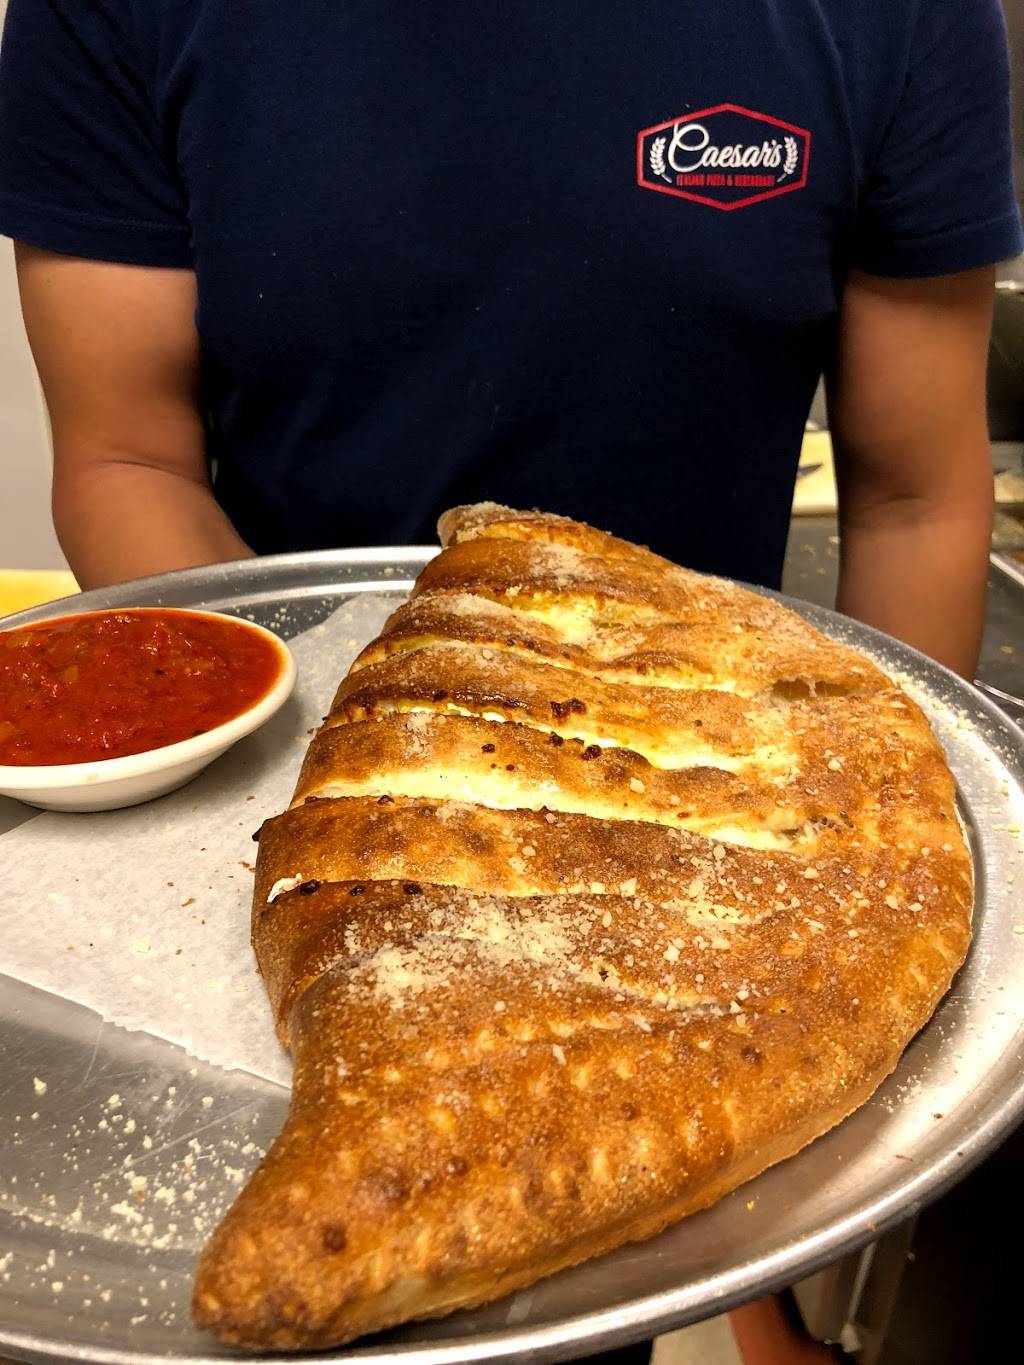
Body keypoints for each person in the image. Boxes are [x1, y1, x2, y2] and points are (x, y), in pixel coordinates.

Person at [0, 3, 1018, 1363]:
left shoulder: (897, 18)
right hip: (283, 793)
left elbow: (913, 499)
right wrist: (335, 769)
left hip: (707, 798)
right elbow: (126, 458)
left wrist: (813, 946)